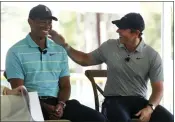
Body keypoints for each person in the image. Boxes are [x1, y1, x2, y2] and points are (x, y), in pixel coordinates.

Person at [49, 12, 174, 122]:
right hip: (114, 101)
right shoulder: (109, 46)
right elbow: (84, 60)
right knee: (119, 118)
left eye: (122, 28)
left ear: (136, 33)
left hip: (140, 101)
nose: (117, 31)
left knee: (168, 118)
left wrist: (150, 108)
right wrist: (64, 45)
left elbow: (158, 89)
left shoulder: (152, 55)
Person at [5, 4, 106, 122]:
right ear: (30, 22)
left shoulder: (59, 50)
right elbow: (19, 91)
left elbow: (66, 86)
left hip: (57, 102)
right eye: (42, 22)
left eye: (49, 22)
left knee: (98, 118)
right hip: (29, 104)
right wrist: (45, 106)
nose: (47, 26)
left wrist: (61, 105)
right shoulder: (15, 52)